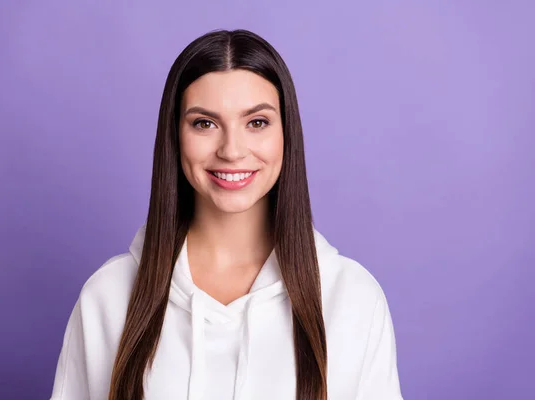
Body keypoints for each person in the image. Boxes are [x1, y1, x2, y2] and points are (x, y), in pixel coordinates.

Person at [50, 29, 403, 400]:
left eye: (257, 122)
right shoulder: (108, 297)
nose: (232, 151)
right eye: (205, 123)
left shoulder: (352, 298)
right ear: (176, 135)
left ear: (287, 133)